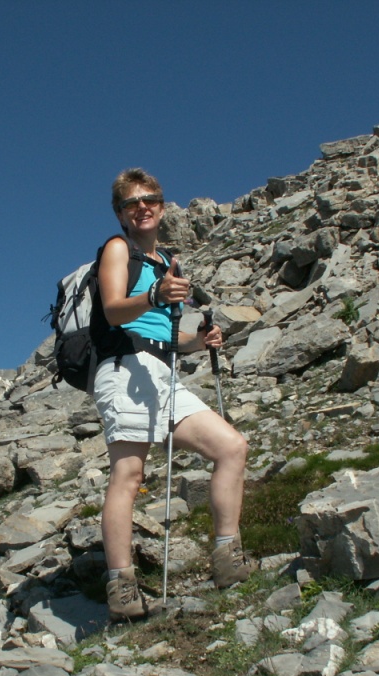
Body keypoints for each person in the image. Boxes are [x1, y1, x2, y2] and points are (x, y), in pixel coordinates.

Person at [94, 168, 253, 622]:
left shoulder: (168, 262)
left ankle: (227, 560)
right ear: (120, 214)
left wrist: (198, 343)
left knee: (232, 447)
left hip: (160, 371)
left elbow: (164, 336)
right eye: (131, 203)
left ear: (162, 207)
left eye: (151, 200)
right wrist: (156, 295)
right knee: (129, 473)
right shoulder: (117, 249)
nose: (142, 207)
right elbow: (112, 311)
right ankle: (121, 587)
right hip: (123, 366)